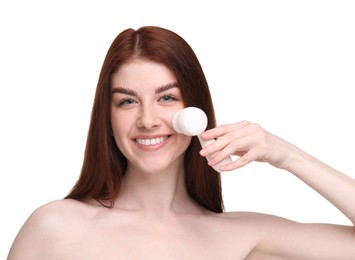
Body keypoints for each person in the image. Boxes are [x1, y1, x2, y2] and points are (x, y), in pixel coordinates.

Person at [8, 26, 355, 259]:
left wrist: (289, 156)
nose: (147, 120)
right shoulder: (55, 228)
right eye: (127, 101)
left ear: (195, 110)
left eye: (167, 98)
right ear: (108, 119)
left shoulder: (242, 236)